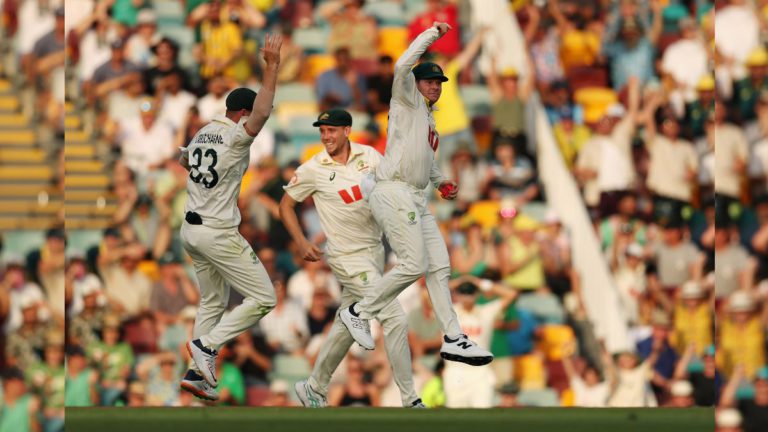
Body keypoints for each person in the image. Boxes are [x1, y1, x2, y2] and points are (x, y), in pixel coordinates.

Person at [338, 22, 492, 366]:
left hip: (417, 195)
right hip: (393, 191)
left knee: (440, 267)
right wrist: (432, 34)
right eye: (429, 81)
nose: (435, 87)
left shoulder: (430, 119)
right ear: (416, 84)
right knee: (413, 264)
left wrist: (440, 182)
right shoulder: (406, 99)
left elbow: (424, 160)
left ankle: (453, 337)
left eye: (439, 82)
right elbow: (401, 65)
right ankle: (359, 310)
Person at [279, 109, 424, 408]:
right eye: (322, 131)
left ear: (347, 131)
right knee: (394, 317)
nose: (325, 136)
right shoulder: (312, 168)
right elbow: (285, 206)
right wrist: (301, 241)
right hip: (346, 256)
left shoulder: (369, 156)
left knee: (345, 326)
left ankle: (314, 387)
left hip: (374, 252)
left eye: (331, 130)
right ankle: (410, 400)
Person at [179, 34, 282, 400]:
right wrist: (271, 68)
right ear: (241, 114)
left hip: (190, 230)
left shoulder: (202, 132)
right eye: (249, 115)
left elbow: (184, 159)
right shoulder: (237, 136)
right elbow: (264, 112)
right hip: (218, 232)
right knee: (264, 297)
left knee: (212, 301)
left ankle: (197, 374)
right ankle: (207, 347)